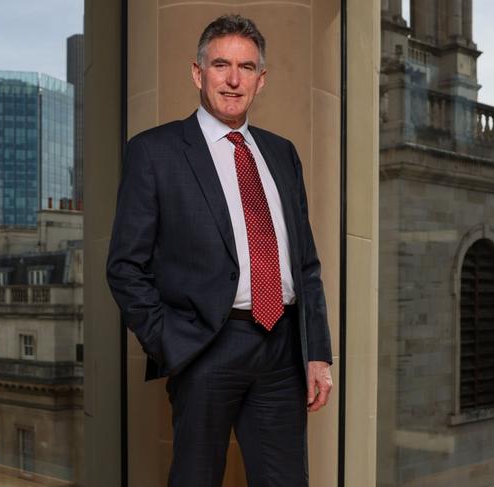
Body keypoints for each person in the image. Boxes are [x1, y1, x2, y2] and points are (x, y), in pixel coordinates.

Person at [107, 13, 333, 487]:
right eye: (221, 65)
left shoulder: (281, 152)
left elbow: (306, 264)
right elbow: (125, 267)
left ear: (261, 79)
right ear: (198, 72)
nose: (233, 79)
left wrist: (317, 353)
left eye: (246, 67)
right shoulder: (155, 152)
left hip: (282, 347)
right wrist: (172, 343)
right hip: (207, 346)